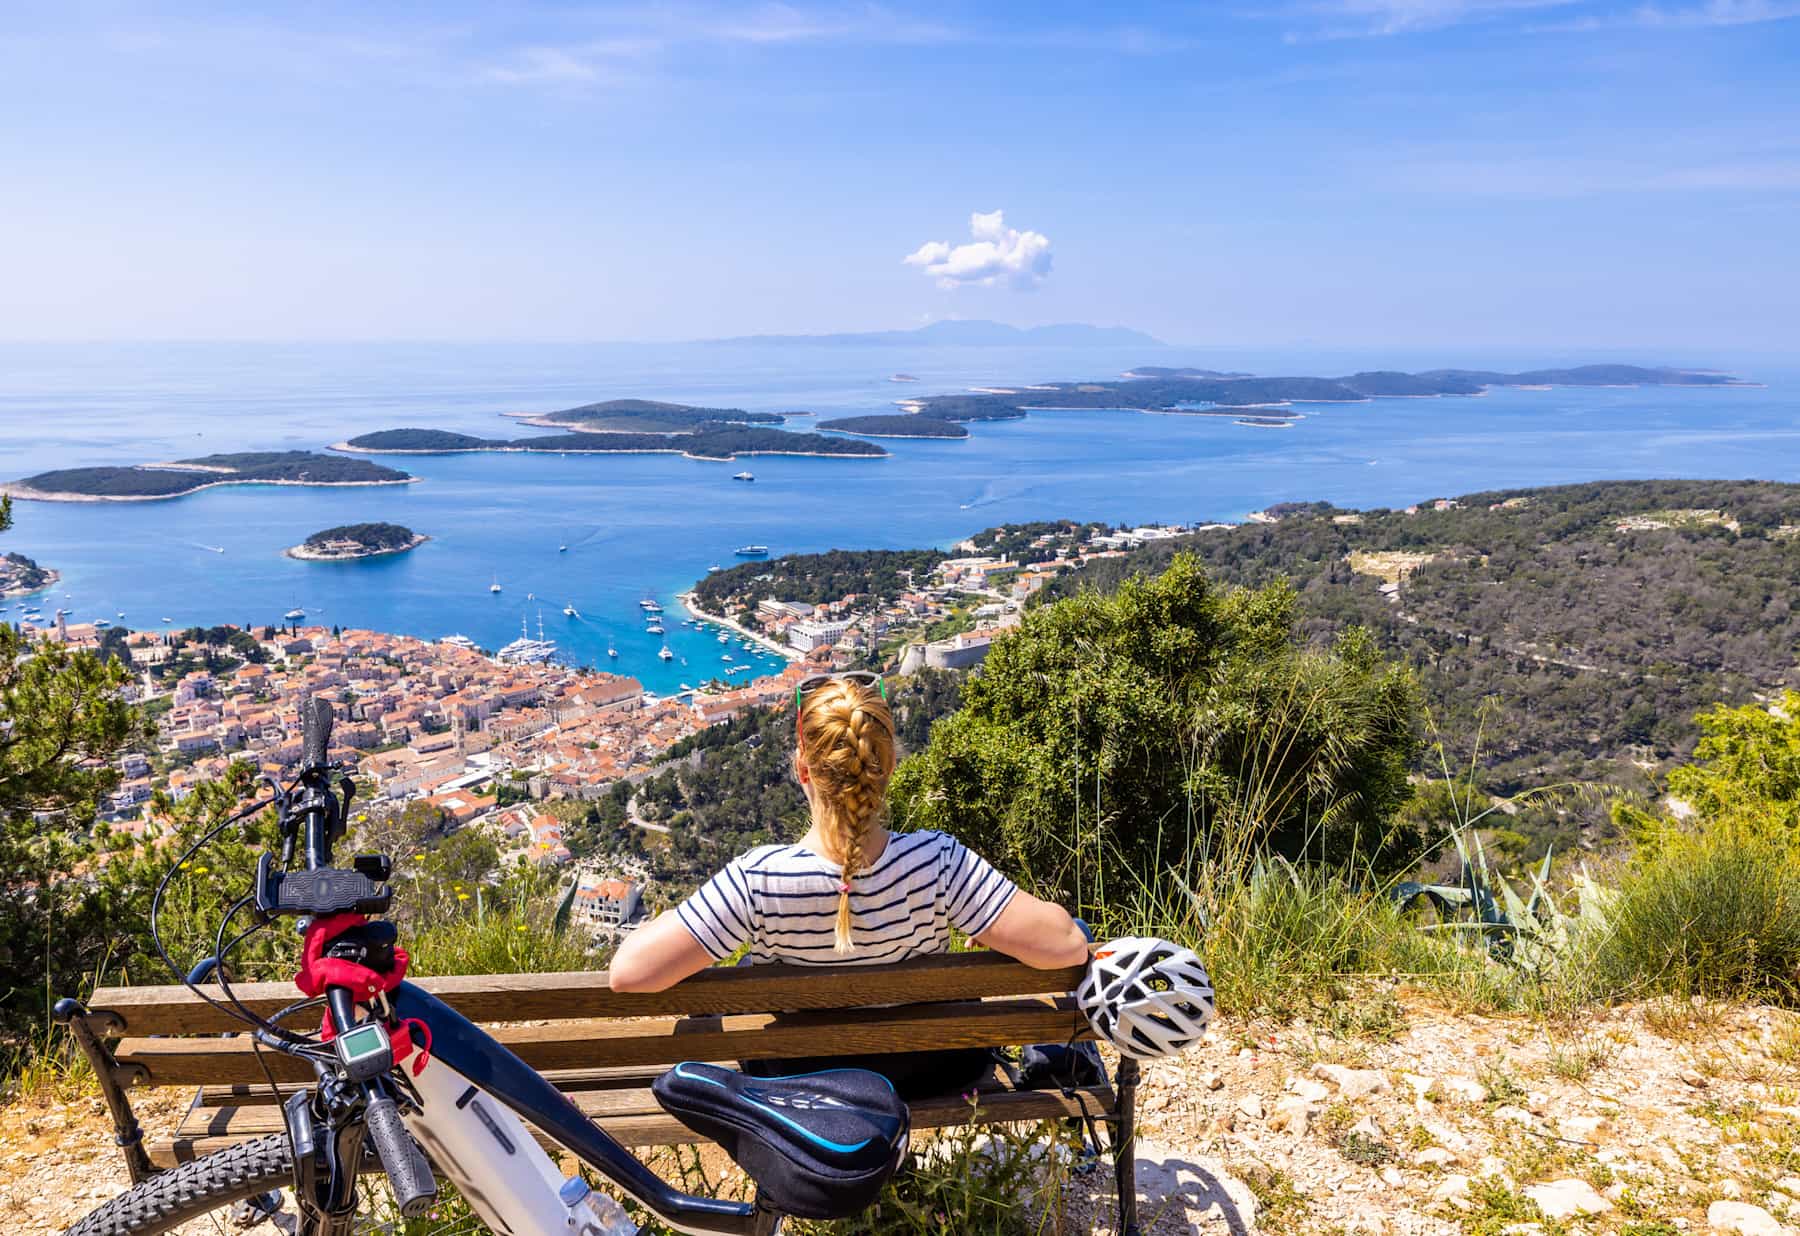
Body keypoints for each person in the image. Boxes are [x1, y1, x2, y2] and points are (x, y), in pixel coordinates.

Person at [609, 671, 1091, 1096]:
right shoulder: (938, 862)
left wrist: (683, 917)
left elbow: (628, 973)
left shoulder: (758, 880)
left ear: (803, 772)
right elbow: (1067, 944)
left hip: (800, 1082)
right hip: (936, 1069)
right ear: (889, 768)